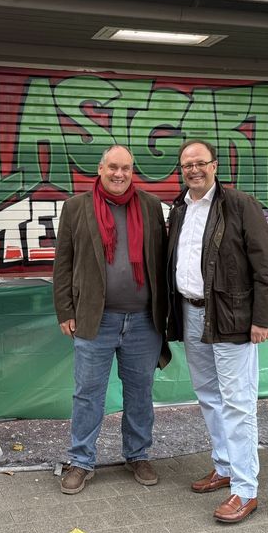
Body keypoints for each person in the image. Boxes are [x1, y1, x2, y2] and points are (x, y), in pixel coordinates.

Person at [166, 140, 268, 523]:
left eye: (200, 163)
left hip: (232, 317)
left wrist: (262, 319)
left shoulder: (240, 205)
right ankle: (225, 465)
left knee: (237, 402)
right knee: (209, 396)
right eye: (187, 164)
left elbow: (266, 266)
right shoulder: (180, 208)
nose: (193, 170)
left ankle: (245, 490)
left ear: (215, 166)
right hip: (193, 313)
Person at [52, 145, 169, 495]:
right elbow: (63, 264)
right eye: (113, 167)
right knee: (87, 394)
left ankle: (138, 454)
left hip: (143, 322)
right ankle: (81, 460)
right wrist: (65, 311)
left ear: (133, 172)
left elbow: (163, 261)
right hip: (94, 319)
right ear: (100, 169)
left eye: (127, 169)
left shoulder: (149, 207)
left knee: (140, 393)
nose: (120, 174)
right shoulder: (76, 208)